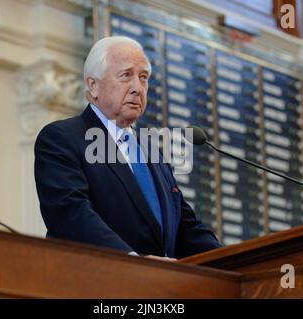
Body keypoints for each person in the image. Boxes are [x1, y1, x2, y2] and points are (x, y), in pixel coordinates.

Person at [34, 36, 222, 260]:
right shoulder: (62, 138)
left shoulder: (152, 151)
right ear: (93, 85)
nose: (137, 88)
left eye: (144, 78)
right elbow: (70, 214)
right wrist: (132, 261)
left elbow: (184, 226)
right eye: (126, 75)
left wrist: (233, 262)